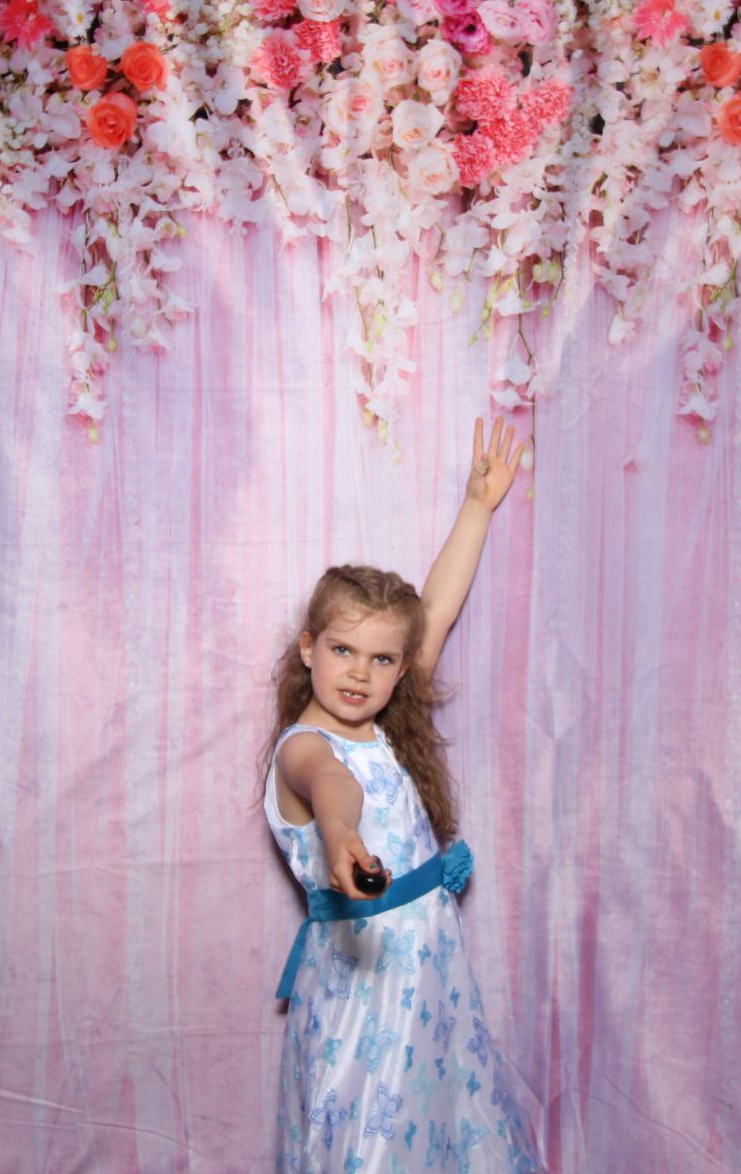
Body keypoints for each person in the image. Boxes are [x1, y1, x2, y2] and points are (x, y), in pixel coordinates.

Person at [261, 416, 542, 1173]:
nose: (361, 671)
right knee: (372, 1141)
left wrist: (477, 507)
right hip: (365, 994)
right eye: (343, 649)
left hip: (430, 977)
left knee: (446, 1129)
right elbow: (332, 787)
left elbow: (436, 610)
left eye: (382, 659)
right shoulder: (305, 748)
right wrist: (342, 837)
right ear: (309, 648)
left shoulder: (382, 724)